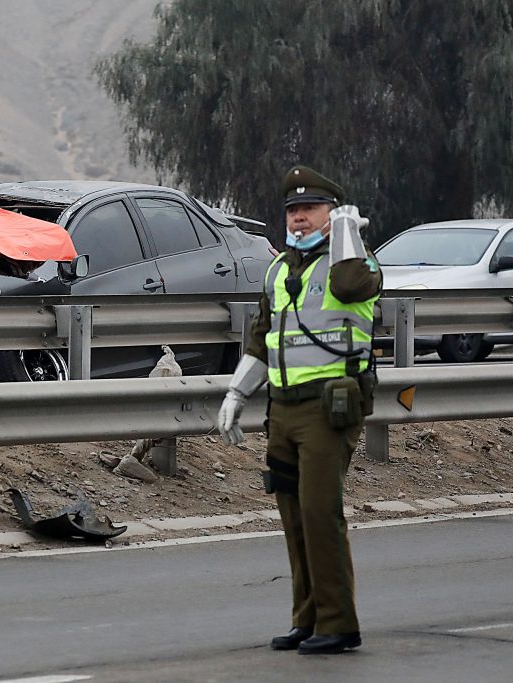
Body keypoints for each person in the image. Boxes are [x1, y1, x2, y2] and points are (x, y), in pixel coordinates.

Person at [217, 166, 381, 655]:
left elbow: (354, 287)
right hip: (282, 409)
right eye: (292, 210)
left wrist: (347, 233)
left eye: (310, 209)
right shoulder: (277, 270)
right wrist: (236, 393)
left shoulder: (353, 263)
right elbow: (261, 339)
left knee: (318, 511)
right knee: (292, 515)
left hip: (328, 408)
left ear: (333, 215)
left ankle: (339, 622)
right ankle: (306, 618)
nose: (299, 218)